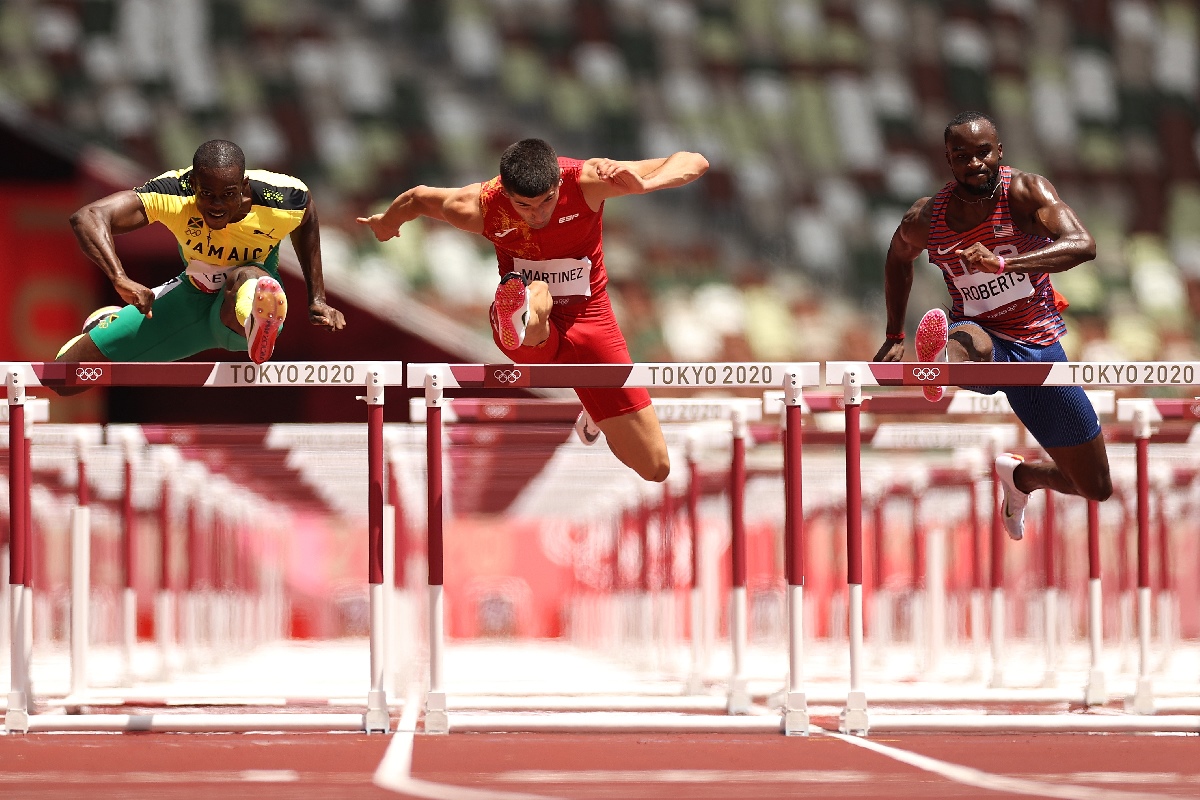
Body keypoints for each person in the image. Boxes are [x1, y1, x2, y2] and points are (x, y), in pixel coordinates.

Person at [358, 138, 709, 482]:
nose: (538, 214)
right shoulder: (480, 206)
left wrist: (646, 184)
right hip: (526, 330)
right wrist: (388, 222)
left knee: (655, 467)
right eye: (524, 206)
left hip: (590, 321)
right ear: (506, 193)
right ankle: (521, 309)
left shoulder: (587, 181)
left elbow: (694, 161)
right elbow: (417, 198)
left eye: (547, 201)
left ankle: (595, 413)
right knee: (537, 293)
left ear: (558, 183)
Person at [873, 111, 1112, 540]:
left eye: (983, 152)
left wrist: (1004, 263)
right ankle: (942, 360)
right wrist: (894, 333)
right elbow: (897, 255)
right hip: (981, 337)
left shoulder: (1024, 192)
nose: (974, 163)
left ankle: (1020, 478)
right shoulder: (928, 218)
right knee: (973, 340)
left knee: (1095, 486)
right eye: (961, 156)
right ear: (948, 160)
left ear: (999, 151)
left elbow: (1083, 244)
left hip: (1038, 351)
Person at [55, 139, 345, 372]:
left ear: (243, 186)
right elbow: (88, 217)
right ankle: (106, 322)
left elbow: (307, 217)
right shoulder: (173, 192)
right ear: (193, 183)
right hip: (191, 298)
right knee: (65, 374)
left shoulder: (283, 198)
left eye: (228, 194)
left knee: (247, 276)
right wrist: (119, 277)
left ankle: (256, 325)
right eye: (207, 194)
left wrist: (317, 298)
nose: (217, 205)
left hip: (242, 309)